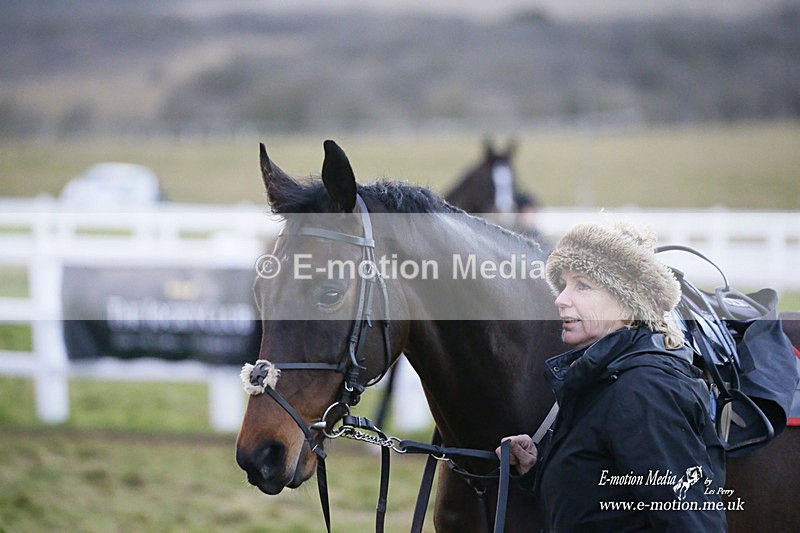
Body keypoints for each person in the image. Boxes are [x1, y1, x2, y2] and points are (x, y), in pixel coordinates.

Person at [497, 220, 727, 532]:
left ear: (629, 304)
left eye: (582, 285)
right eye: (563, 284)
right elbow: (601, 500)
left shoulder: (645, 393)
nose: (560, 299)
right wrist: (537, 468)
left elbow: (692, 524)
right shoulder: (600, 378)